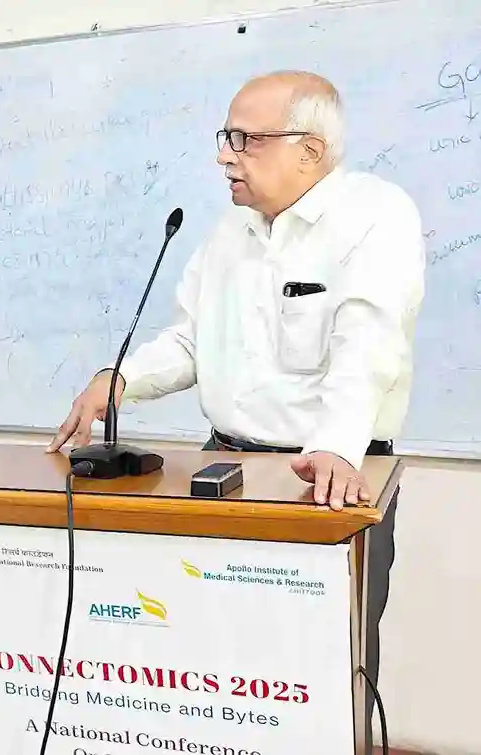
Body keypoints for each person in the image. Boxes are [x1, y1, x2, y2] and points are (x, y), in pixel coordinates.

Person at [46, 71, 423, 727]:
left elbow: (368, 339)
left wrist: (335, 443)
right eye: (226, 137)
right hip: (222, 470)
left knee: (324, 670)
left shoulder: (375, 214)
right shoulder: (229, 232)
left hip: (327, 479)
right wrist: (121, 379)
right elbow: (193, 341)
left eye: (245, 139)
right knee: (215, 659)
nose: (225, 155)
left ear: (309, 150)